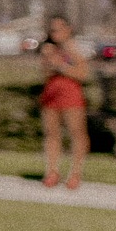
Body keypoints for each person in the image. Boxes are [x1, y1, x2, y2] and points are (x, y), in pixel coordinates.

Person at [38, 15, 91, 190]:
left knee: (76, 134)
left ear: (68, 29)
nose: (55, 33)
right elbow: (45, 73)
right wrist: (49, 62)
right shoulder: (48, 49)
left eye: (59, 29)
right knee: (51, 134)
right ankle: (52, 171)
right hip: (51, 95)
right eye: (52, 30)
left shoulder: (73, 47)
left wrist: (63, 66)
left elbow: (83, 73)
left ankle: (75, 173)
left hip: (71, 95)